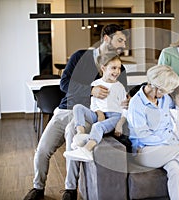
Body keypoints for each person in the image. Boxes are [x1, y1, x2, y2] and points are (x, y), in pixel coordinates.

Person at [23, 24, 129, 200]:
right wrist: (90, 90)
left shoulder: (119, 69)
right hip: (65, 109)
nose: (123, 45)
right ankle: (38, 187)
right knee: (42, 150)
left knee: (73, 138)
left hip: (89, 114)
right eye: (120, 40)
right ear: (106, 39)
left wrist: (126, 102)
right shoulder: (80, 56)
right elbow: (64, 84)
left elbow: (119, 99)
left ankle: (70, 190)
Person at [127, 65, 179, 200]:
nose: (167, 94)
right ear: (156, 87)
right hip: (145, 151)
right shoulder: (137, 104)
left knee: (174, 168)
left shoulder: (164, 99)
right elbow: (143, 136)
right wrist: (167, 142)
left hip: (164, 149)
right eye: (166, 90)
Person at [63, 52, 127, 162]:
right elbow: (94, 103)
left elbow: (125, 108)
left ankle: (86, 150)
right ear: (103, 68)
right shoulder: (96, 83)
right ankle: (80, 135)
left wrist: (120, 124)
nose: (117, 71)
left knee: (97, 127)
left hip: (114, 117)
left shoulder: (119, 87)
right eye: (113, 68)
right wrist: (98, 112)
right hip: (99, 115)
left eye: (119, 68)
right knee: (78, 107)